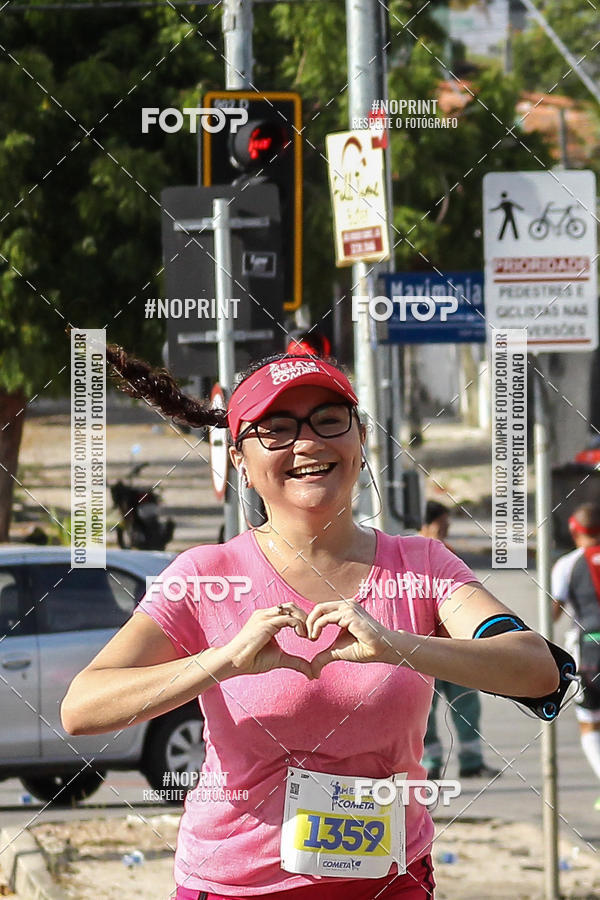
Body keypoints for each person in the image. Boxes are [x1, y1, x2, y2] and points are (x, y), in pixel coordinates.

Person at [62, 349, 561, 900]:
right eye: (275, 430)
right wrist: (223, 660)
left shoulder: (421, 566)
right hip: (236, 887)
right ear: (238, 460)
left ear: (361, 437)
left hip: (389, 882)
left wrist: (396, 646)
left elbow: (537, 669)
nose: (307, 443)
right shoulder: (206, 575)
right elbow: (82, 708)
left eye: (328, 420)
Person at [419, 502, 501, 781]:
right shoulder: (408, 555)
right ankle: (429, 764)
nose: (446, 530)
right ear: (426, 523)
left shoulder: (446, 553)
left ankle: (471, 761)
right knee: (423, 714)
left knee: (466, 704)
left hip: (453, 646)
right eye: (443, 525)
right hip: (425, 649)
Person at [552, 502, 600, 804]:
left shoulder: (568, 565)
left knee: (590, 721)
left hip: (590, 652)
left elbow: (552, 614)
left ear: (573, 529)